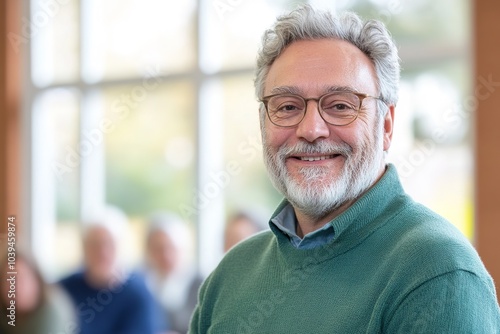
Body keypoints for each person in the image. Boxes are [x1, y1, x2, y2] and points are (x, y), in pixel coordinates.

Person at [188, 5, 500, 333]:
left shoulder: (437, 273)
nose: (311, 129)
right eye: (287, 107)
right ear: (263, 122)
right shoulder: (231, 274)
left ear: (387, 126)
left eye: (340, 106)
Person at [59, 206, 167, 334]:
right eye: (94, 244)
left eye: (109, 243)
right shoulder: (63, 290)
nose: (102, 252)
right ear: (83, 247)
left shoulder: (139, 293)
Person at [143, 212, 203, 334]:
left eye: (171, 248)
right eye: (158, 249)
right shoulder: (142, 282)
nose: (165, 256)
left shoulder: (199, 284)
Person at [0, 252, 76, 334]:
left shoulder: (54, 314)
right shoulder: (5, 313)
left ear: (37, 280)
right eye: (8, 280)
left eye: (22, 278)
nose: (14, 286)